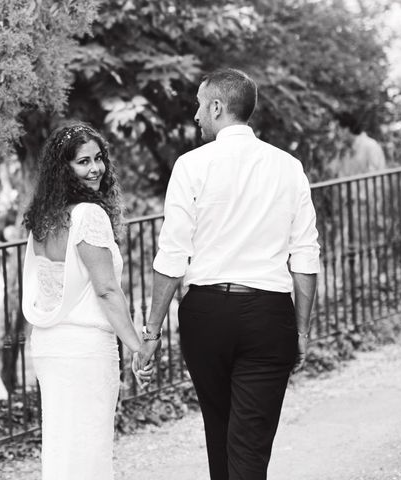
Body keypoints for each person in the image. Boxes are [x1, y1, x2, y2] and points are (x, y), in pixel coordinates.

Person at [137, 68, 320, 480]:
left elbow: (172, 257)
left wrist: (151, 334)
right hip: (269, 317)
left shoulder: (191, 165)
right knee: (250, 445)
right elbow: (305, 257)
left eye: (200, 106)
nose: (196, 115)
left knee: (219, 433)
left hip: (206, 316)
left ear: (217, 107)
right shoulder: (288, 167)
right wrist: (302, 331)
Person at [22, 122, 151, 480]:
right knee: (90, 449)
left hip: (49, 344)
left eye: (98, 159)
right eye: (83, 162)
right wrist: (137, 346)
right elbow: (107, 290)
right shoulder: (89, 215)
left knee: (62, 449)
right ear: (65, 167)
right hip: (84, 349)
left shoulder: (43, 217)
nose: (95, 169)